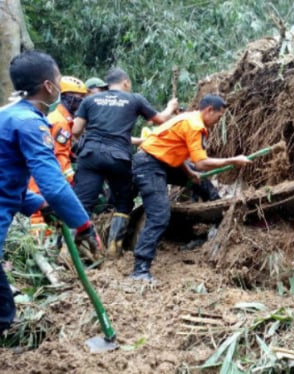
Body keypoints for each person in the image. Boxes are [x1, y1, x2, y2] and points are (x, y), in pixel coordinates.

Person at [0, 51, 101, 333]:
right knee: (3, 312)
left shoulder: (6, 116)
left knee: (4, 309)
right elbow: (54, 185)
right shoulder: (30, 123)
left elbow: (5, 181)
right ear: (48, 86)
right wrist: (83, 224)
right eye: (58, 80)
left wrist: (38, 205)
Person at [131, 94, 251, 281]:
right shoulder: (195, 125)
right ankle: (140, 269)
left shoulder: (188, 118)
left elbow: (173, 150)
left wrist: (188, 173)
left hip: (162, 161)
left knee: (199, 179)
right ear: (209, 110)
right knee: (159, 215)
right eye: (219, 117)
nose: (218, 121)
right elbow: (202, 163)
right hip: (149, 165)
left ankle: (221, 215)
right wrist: (232, 160)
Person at [72, 67, 178, 258]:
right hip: (118, 157)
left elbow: (76, 131)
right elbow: (160, 120)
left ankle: (67, 251)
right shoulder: (134, 99)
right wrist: (171, 106)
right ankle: (114, 249)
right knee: (123, 201)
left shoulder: (89, 100)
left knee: (82, 202)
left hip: (90, 154)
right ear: (126, 82)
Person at [27, 76, 88, 238]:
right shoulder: (61, 123)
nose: (82, 104)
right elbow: (60, 158)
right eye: (80, 99)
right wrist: (73, 183)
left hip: (40, 178)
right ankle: (41, 253)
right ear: (69, 99)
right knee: (38, 219)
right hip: (39, 181)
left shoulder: (61, 120)